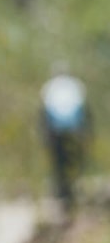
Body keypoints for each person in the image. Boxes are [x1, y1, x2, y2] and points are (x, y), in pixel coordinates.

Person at [39, 70, 91, 210]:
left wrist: (45, 136)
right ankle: (72, 189)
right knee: (74, 161)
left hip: (56, 131)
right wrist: (85, 132)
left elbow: (44, 113)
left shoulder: (49, 87)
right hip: (74, 129)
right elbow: (83, 110)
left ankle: (64, 192)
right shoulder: (75, 85)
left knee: (59, 162)